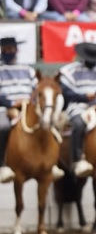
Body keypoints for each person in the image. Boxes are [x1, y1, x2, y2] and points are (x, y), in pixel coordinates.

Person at [0, 37, 63, 183]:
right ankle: (2, 164)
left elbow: (37, 90)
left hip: (29, 107)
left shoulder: (28, 70)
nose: (9, 52)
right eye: (5, 49)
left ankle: (53, 163)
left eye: (11, 49)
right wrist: (11, 103)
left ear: (16, 50)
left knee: (51, 124)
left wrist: (30, 102)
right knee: (2, 127)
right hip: (6, 108)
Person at [59, 42, 96, 178]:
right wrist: (84, 96)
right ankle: (77, 159)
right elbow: (65, 92)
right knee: (79, 124)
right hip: (80, 106)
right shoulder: (72, 70)